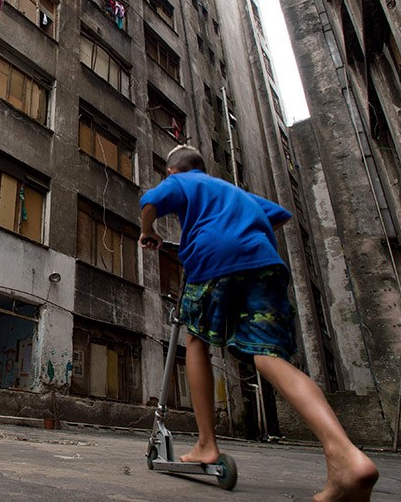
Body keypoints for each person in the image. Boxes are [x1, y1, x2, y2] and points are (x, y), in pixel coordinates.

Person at [139, 145, 378, 502]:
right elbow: (279, 214)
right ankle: (344, 454)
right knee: (268, 357)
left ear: (174, 171)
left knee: (197, 341)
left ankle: (206, 444)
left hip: (213, 259)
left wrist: (150, 231)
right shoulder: (236, 193)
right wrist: (243, 226)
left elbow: (150, 200)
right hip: (264, 262)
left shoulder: (182, 182)